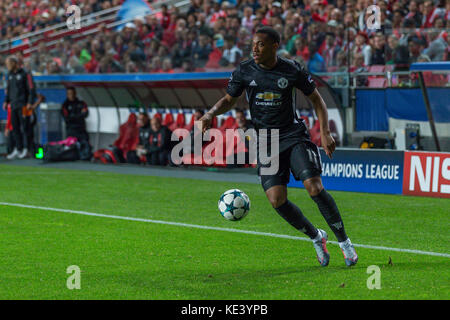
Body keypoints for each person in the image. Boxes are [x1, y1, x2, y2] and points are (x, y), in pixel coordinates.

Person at [199, 26, 358, 267]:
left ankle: (345, 243)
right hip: (265, 141)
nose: (254, 48)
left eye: (260, 44)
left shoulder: (292, 69)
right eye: (253, 44)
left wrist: (325, 132)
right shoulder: (244, 70)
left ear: (274, 46)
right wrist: (210, 114)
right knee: (276, 200)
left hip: (293, 135)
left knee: (314, 188)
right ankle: (317, 237)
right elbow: (228, 100)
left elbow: (317, 99)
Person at [3, 55, 37, 159]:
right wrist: (6, 101)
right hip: (13, 105)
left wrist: (30, 102)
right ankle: (18, 149)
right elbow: (8, 90)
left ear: (14, 63)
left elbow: (31, 89)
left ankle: (27, 149)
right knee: (15, 128)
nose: (7, 66)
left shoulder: (25, 74)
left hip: (24, 105)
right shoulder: (9, 75)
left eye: (8, 64)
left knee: (26, 127)